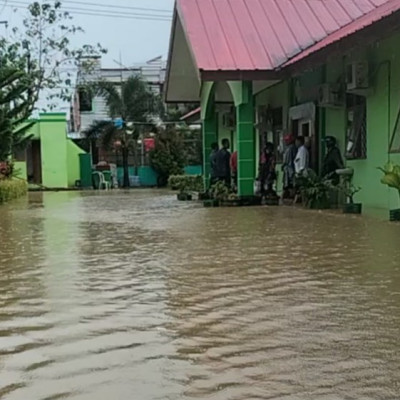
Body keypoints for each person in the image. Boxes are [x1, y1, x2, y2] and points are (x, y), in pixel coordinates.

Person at [282, 134, 297, 198]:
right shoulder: (292, 148)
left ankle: (291, 195)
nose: (285, 142)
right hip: (290, 168)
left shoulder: (290, 149)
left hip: (290, 169)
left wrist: (283, 165)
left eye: (287, 140)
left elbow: (287, 160)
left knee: (289, 183)